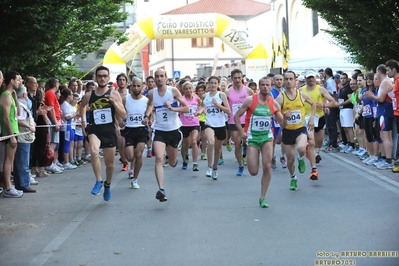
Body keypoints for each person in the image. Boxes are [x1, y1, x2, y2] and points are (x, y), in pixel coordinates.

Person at [234, 77, 285, 207]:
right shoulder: (250, 100)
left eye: (267, 85)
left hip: (267, 137)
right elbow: (236, 116)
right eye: (262, 85)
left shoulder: (274, 103)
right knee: (253, 171)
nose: (265, 87)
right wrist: (241, 132)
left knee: (267, 166)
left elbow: (282, 123)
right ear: (258, 86)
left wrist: (287, 118)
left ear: (271, 86)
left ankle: (263, 197)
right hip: (252, 138)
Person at [142, 69, 189, 202]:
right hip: (159, 130)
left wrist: (173, 108)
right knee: (158, 158)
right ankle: (161, 189)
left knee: (173, 162)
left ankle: (173, 158)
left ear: (166, 77)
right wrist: (146, 116)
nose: (159, 79)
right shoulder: (152, 93)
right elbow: (150, 105)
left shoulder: (173, 91)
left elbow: (186, 108)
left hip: (173, 130)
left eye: (161, 76)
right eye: (157, 76)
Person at [80, 66, 126, 201]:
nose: (102, 78)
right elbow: (82, 106)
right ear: (95, 78)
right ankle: (99, 180)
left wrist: (115, 104)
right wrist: (83, 121)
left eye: (104, 76)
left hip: (109, 130)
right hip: (94, 129)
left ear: (108, 78)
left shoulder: (114, 94)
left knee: (110, 164)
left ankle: (107, 184)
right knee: (94, 152)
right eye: (99, 76)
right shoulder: (89, 95)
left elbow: (123, 114)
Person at [275, 71, 316, 191]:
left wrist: (311, 118)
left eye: (290, 79)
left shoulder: (301, 95)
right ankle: (293, 177)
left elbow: (313, 104)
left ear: (295, 80)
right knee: (290, 159)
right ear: (283, 81)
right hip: (287, 131)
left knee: (302, 148)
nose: (288, 81)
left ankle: (301, 159)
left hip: (300, 129)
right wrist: (283, 116)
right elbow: (275, 114)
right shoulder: (280, 98)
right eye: (286, 79)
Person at [301, 71, 338, 180]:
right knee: (312, 142)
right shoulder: (301, 91)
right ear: (305, 79)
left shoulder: (321, 89)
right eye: (308, 78)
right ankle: (314, 169)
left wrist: (324, 104)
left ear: (315, 78)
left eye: (312, 77)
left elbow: (333, 102)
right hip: (307, 118)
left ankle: (315, 153)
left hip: (320, 117)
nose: (310, 79)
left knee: (319, 142)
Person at [364, 65, 394, 169]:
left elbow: (381, 99)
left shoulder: (385, 81)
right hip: (385, 111)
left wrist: (371, 96)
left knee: (385, 136)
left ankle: (388, 160)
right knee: (386, 136)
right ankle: (388, 159)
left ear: (378, 72)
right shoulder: (387, 81)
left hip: (384, 111)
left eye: (376, 73)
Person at [201, 76, 230, 180]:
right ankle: (209, 167)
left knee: (218, 150)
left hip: (220, 125)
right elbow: (202, 106)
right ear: (208, 84)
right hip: (209, 124)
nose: (213, 85)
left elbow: (228, 110)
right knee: (211, 142)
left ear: (217, 84)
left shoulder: (221, 95)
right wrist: (199, 111)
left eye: (215, 83)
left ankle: (215, 168)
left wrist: (217, 105)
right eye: (211, 83)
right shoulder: (205, 96)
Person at [225, 69, 253, 176]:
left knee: (249, 143)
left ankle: (249, 159)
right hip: (234, 121)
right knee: (237, 145)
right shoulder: (227, 93)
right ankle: (240, 165)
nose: (237, 80)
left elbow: (253, 103)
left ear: (242, 78)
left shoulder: (248, 91)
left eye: (239, 77)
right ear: (232, 79)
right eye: (235, 78)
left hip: (246, 121)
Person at [0, 71, 23, 197]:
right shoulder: (5, 96)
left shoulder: (10, 96)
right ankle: (8, 187)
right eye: (18, 80)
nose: (20, 82)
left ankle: (9, 184)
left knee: (11, 159)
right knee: (8, 160)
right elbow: (5, 118)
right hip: (9, 132)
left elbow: (17, 113)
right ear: (12, 81)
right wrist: (11, 135)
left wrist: (15, 98)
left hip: (14, 130)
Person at [123, 78, 148, 189]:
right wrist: (119, 121)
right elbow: (117, 111)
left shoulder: (146, 100)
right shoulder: (125, 99)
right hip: (129, 129)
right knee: (130, 157)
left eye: (138, 86)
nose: (136, 88)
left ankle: (135, 179)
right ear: (131, 86)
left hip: (142, 129)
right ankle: (131, 168)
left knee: (138, 154)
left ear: (142, 86)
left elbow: (150, 114)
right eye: (134, 86)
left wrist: (149, 119)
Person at [14, 85, 37, 193]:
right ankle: (23, 185)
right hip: (23, 137)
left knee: (22, 161)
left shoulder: (20, 103)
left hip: (24, 137)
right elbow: (20, 119)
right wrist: (29, 126)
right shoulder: (20, 104)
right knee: (23, 162)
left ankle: (22, 183)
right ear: (24, 94)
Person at [179, 81, 203, 171]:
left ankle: (195, 163)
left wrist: (199, 111)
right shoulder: (181, 99)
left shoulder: (196, 98)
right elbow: (178, 109)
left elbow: (202, 106)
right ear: (183, 90)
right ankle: (185, 159)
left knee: (194, 142)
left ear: (192, 89)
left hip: (195, 123)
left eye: (190, 88)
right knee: (186, 144)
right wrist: (181, 111)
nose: (188, 90)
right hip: (184, 124)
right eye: (186, 89)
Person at [44, 78, 63, 174]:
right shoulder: (50, 93)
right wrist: (55, 122)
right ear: (56, 84)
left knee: (54, 143)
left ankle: (52, 163)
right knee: (52, 143)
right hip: (52, 121)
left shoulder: (50, 93)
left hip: (55, 120)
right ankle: (49, 164)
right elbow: (51, 108)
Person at [116, 73, 129, 171]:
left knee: (129, 144)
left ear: (127, 82)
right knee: (120, 143)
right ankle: (125, 163)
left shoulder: (130, 93)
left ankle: (130, 159)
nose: (121, 81)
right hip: (118, 121)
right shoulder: (114, 93)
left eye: (123, 80)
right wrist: (119, 121)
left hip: (129, 121)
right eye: (120, 80)